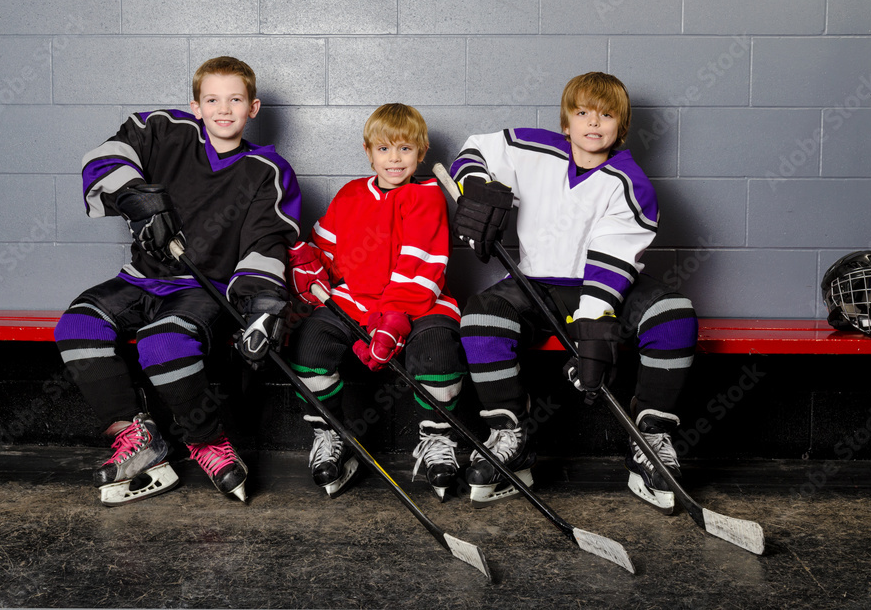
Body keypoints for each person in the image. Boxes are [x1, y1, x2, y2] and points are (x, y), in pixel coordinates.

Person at [54, 56, 301, 505]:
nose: (223, 109)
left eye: (235, 100)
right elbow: (106, 155)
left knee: (162, 343)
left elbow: (268, 241)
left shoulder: (267, 169)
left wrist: (263, 306)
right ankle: (138, 437)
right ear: (196, 105)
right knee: (77, 326)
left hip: (202, 291)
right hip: (141, 279)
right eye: (212, 99)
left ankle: (207, 442)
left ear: (254, 108)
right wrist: (133, 197)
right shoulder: (163, 130)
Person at [448, 72, 699, 512]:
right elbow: (473, 151)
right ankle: (512, 435)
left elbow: (611, 261)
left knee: (674, 314)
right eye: (582, 112)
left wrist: (593, 323)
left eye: (606, 115)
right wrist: (476, 189)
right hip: (536, 283)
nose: (593, 123)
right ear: (566, 122)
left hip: (601, 287)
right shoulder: (532, 148)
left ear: (621, 127)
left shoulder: (631, 183)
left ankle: (651, 439)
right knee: (482, 316)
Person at [285, 103, 466, 501]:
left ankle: (437, 440)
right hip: (354, 301)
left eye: (405, 149)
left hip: (421, 299)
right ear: (369, 153)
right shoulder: (351, 194)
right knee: (308, 347)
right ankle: (331, 434)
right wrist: (307, 263)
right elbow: (327, 250)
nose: (394, 158)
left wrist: (394, 317)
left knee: (437, 353)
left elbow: (421, 264)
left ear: (422, 152)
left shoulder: (427, 196)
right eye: (384, 149)